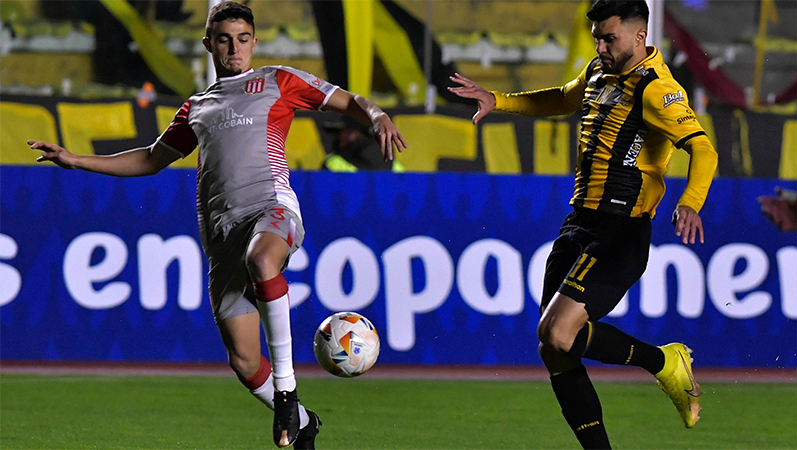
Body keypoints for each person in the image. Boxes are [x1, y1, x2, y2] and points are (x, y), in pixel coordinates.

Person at [28, 2, 407, 449]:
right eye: (224, 40)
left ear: (254, 42)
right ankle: (303, 422)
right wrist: (76, 160)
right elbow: (151, 159)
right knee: (245, 361)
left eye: (243, 39)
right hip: (222, 236)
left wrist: (378, 115)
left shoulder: (276, 81)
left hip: (271, 207)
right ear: (209, 44)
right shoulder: (197, 107)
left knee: (264, 259)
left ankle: (287, 393)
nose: (235, 48)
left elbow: (346, 101)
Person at [449, 1, 717, 448]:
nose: (600, 45)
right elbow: (562, 98)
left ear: (638, 36)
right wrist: (500, 100)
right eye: (596, 36)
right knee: (554, 348)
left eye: (608, 38)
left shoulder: (657, 89)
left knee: (558, 331)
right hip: (579, 222)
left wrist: (691, 202)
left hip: (621, 229)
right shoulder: (599, 71)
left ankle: (663, 362)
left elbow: (703, 149)